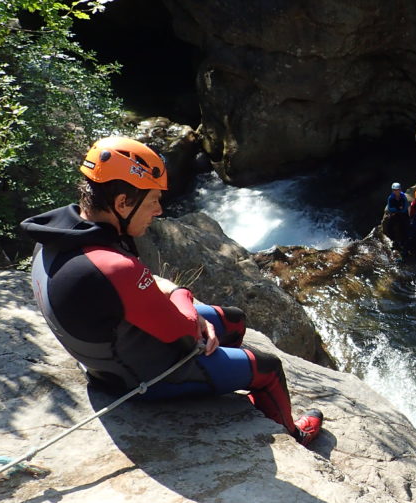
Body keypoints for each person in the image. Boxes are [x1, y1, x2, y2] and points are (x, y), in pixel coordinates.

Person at [20, 136, 324, 447]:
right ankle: (293, 433)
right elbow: (183, 329)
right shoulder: (114, 268)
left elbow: (131, 286)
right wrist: (184, 296)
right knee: (268, 367)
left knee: (232, 320)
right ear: (123, 202)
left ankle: (222, 374)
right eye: (152, 200)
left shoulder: (58, 236)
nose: (159, 211)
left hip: (116, 352)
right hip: (139, 378)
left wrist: (180, 305)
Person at [383, 182, 409, 250]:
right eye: (395, 190)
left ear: (400, 190)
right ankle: (394, 240)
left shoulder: (403, 197)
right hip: (396, 213)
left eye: (397, 190)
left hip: (402, 214)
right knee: (389, 227)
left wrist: (398, 210)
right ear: (392, 191)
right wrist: (398, 209)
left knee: (404, 226)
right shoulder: (391, 198)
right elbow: (390, 208)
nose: (396, 191)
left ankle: (404, 242)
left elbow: (405, 207)